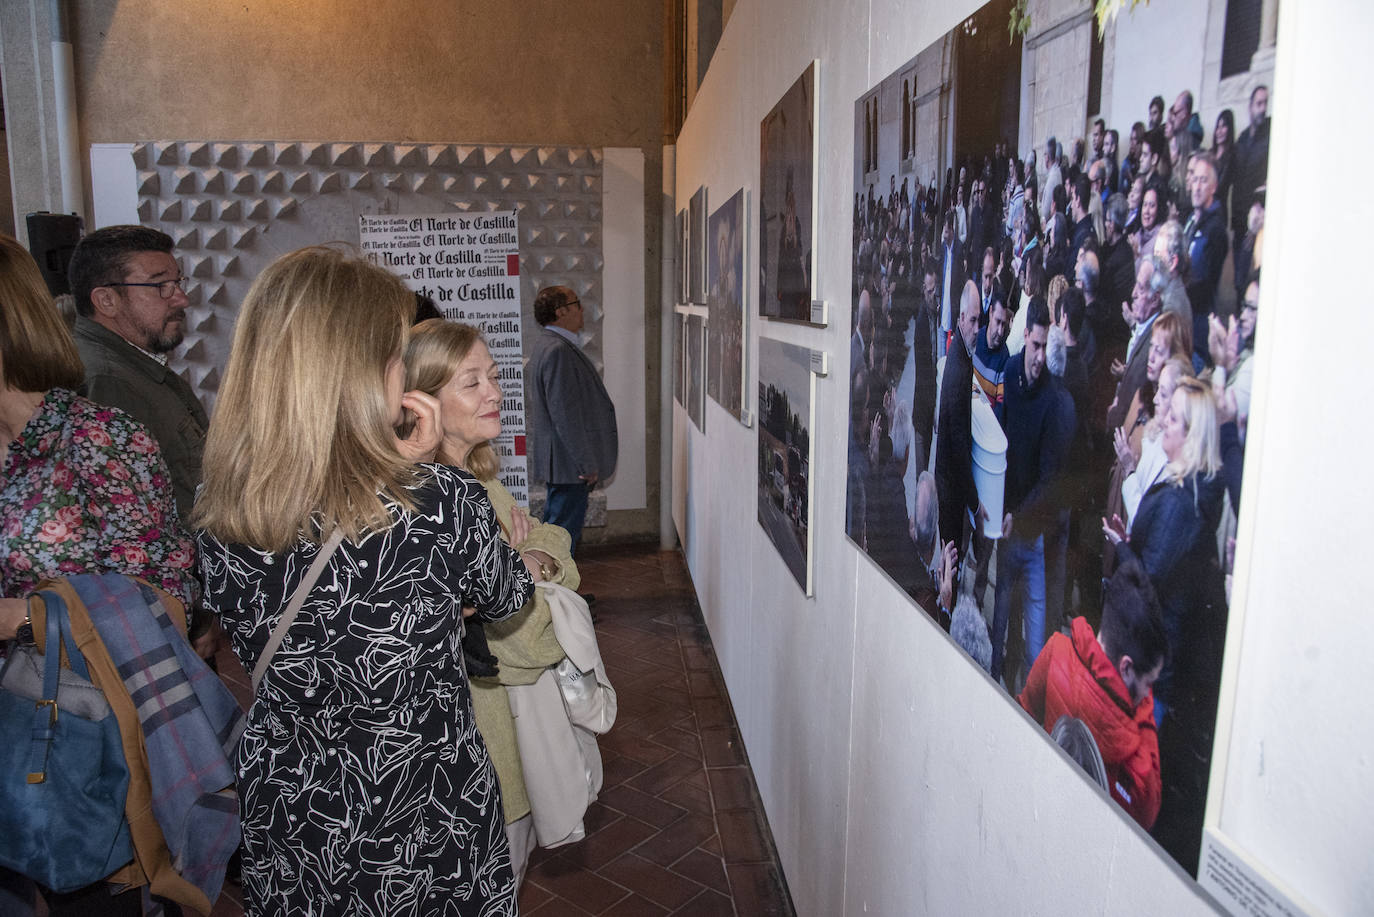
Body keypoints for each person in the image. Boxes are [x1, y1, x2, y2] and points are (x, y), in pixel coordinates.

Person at [195, 246, 536, 915]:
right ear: (361, 370)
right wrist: (424, 469)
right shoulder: (437, 499)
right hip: (423, 807)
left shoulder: (222, 505)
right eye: (395, 353)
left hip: (295, 800)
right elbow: (507, 595)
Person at [0, 232, 200, 913]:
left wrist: (20, 616)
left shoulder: (98, 439)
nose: (180, 296)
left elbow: (165, 605)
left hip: (78, 753)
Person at [405, 319, 589, 886]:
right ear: (420, 402)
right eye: (471, 382)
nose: (495, 392)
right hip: (481, 756)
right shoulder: (433, 505)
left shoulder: (478, 482)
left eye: (494, 375)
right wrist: (534, 562)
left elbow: (555, 544)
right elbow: (530, 642)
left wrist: (535, 559)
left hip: (505, 740)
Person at [66, 225, 217, 656]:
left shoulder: (132, 365)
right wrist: (193, 614)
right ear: (106, 300)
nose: (180, 299)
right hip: (156, 619)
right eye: (160, 286)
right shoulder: (106, 380)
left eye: (178, 282)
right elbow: (128, 530)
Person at [1019, 557, 1166, 830]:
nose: (1148, 692)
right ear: (1126, 668)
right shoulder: (1135, 758)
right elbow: (1149, 810)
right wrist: (1143, 707)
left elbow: (1023, 713)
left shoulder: (1056, 650)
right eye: (1148, 683)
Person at [990, 296, 1076, 687]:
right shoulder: (1009, 371)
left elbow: (1048, 481)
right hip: (1008, 527)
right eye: (1035, 345)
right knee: (1001, 621)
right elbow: (999, 438)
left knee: (1035, 647)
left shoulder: (1053, 399)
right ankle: (995, 679)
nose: (1040, 356)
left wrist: (1019, 517)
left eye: (1045, 347)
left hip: (1032, 534)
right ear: (1025, 336)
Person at [527, 284, 619, 553]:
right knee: (560, 540)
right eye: (576, 303)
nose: (582, 309)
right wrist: (586, 462)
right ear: (561, 311)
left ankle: (558, 581)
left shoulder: (550, 345)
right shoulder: (557, 350)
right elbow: (565, 415)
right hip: (569, 465)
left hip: (564, 463)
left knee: (558, 535)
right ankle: (554, 583)